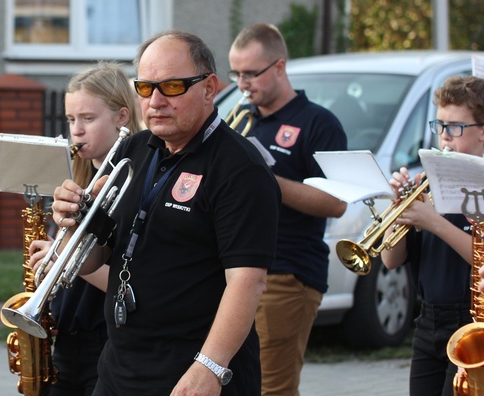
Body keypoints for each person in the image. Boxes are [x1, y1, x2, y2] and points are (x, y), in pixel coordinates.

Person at [49, 30, 280, 395]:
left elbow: (248, 281)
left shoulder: (240, 167)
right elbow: (96, 260)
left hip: (194, 374)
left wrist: (209, 367)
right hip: (119, 370)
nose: (156, 101)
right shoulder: (134, 149)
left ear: (209, 88)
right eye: (145, 87)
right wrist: (76, 223)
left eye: (172, 86)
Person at [227, 23, 347, 395]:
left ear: (279, 67)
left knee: (272, 388)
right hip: (235, 271)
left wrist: (267, 181)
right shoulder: (244, 120)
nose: (243, 84)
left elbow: (336, 202)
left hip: (286, 272)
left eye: (251, 73)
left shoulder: (318, 123)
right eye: (237, 74)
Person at [28, 62, 142, 395]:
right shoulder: (76, 179)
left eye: (88, 119)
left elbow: (131, 283)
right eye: (71, 120)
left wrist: (61, 256)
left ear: (122, 117)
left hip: (106, 339)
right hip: (66, 337)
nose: (76, 130)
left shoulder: (130, 181)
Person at [382, 75, 484, 396]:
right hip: (428, 321)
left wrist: (434, 222)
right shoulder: (428, 182)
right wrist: (399, 211)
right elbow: (390, 260)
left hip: (472, 321)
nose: (444, 138)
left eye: (455, 128)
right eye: (438, 126)